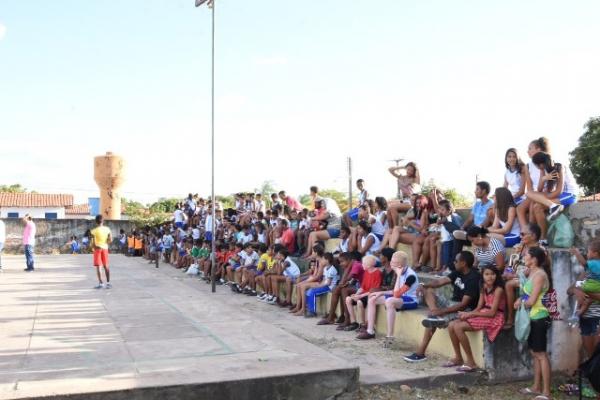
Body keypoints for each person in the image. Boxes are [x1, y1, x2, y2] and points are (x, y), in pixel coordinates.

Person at [404, 251, 480, 363]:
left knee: (430, 323)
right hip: (451, 303)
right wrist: (423, 285)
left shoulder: (473, 278)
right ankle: (434, 315)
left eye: (456, 261)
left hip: (463, 309)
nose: (454, 263)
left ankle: (420, 353)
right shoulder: (458, 272)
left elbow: (464, 304)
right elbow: (440, 282)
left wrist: (441, 311)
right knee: (428, 291)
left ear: (463, 263)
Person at [447, 266, 506, 372]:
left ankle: (471, 362)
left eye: (492, 274)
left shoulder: (498, 289)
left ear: (496, 276)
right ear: (482, 276)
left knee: (458, 327)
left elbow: (492, 313)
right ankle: (458, 357)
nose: (490, 277)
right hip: (483, 312)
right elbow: (479, 307)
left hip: (495, 317)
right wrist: (468, 313)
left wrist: (470, 315)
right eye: (486, 274)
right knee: (451, 325)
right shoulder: (483, 287)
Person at [357, 250, 419, 341]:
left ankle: (390, 336)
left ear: (400, 265)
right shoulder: (400, 271)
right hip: (400, 297)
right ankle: (370, 331)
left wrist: (398, 276)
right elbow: (394, 292)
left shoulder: (411, 276)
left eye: (393, 262)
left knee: (389, 301)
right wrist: (380, 293)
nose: (391, 264)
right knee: (373, 298)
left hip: (410, 300)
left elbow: (397, 294)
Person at [515, 247, 552, 400]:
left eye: (527, 255)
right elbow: (526, 295)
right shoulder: (532, 273)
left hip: (539, 317)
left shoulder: (539, 276)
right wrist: (521, 299)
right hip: (533, 317)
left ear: (534, 259)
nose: (524, 257)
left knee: (541, 354)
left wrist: (521, 302)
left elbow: (531, 301)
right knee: (535, 353)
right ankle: (536, 387)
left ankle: (546, 392)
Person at [526, 152, 579, 242]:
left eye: (536, 165)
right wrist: (543, 178)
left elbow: (559, 191)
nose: (536, 168)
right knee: (532, 200)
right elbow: (539, 189)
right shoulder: (543, 169)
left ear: (540, 164)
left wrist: (544, 197)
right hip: (557, 196)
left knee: (535, 202)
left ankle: (541, 237)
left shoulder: (559, 167)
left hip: (569, 195)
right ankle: (544, 238)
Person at [503, 223, 542, 330]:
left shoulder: (540, 250)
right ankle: (499, 316)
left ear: (533, 236)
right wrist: (507, 272)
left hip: (531, 279)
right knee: (497, 280)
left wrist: (514, 275)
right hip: (517, 276)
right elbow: (511, 263)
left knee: (509, 284)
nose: (520, 236)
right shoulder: (521, 247)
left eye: (523, 234)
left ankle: (510, 318)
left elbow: (535, 270)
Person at [317, 252, 362, 326]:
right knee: (337, 289)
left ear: (349, 260)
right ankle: (331, 317)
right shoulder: (351, 265)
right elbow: (345, 282)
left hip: (363, 289)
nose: (340, 264)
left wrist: (347, 268)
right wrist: (344, 283)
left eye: (342, 261)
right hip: (358, 287)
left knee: (344, 289)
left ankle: (347, 319)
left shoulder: (356, 265)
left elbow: (346, 279)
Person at [517, 137, 551, 229]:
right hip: (533, 193)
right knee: (519, 209)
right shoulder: (527, 166)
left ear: (538, 149)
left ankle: (533, 235)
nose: (527, 151)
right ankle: (524, 233)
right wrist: (532, 196)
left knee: (533, 207)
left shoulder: (546, 161)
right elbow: (529, 186)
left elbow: (550, 183)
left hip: (545, 192)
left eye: (530, 148)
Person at [452, 181, 494, 256]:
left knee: (461, 235)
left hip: (482, 232)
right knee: (456, 235)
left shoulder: (491, 204)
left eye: (477, 189)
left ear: (484, 191)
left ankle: (470, 263)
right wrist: (462, 228)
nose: (475, 191)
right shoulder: (477, 204)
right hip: (473, 231)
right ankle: (455, 263)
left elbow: (486, 222)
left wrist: (474, 230)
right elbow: (470, 219)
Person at [343, 255, 382, 331]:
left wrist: (360, 296)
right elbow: (362, 287)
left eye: (363, 263)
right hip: (363, 294)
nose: (362, 265)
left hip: (370, 295)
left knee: (359, 302)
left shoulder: (377, 273)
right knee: (348, 299)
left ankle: (363, 324)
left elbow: (373, 290)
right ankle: (354, 322)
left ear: (368, 265)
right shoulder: (366, 272)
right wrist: (357, 294)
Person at [570, 240, 600, 317]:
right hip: (597, 287)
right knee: (587, 301)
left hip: (592, 285)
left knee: (578, 288)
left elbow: (584, 263)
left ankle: (576, 313)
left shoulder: (594, 263)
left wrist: (577, 253)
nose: (587, 254)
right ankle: (578, 315)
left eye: (589, 252)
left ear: (595, 253)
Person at [90, 215, 113, 289]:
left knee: (99, 267)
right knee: (106, 266)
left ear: (96, 222)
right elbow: (110, 240)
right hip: (105, 248)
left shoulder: (93, 231)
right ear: (103, 221)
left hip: (97, 249)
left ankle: (101, 284)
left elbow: (93, 243)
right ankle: (108, 283)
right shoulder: (107, 229)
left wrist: (95, 247)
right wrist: (106, 243)